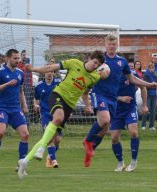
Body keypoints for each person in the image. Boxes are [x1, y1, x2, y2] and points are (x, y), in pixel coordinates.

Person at [17, 50, 105, 179]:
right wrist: (34, 69)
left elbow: (85, 92)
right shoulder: (74, 63)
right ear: (89, 58)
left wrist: (87, 105)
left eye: (98, 65)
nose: (95, 66)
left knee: (53, 138)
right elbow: (51, 67)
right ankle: (41, 149)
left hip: (69, 105)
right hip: (58, 95)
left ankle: (25, 161)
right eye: (95, 62)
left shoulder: (94, 77)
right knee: (58, 118)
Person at [82, 34, 157, 168]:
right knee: (105, 120)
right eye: (109, 44)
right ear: (105, 45)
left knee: (105, 129)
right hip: (99, 94)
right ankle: (88, 142)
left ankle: (91, 148)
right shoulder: (100, 60)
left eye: (114, 44)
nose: (111, 46)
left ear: (117, 45)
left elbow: (133, 79)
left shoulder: (122, 62)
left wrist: (149, 84)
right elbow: (87, 70)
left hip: (112, 99)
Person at [0, 49, 29, 173]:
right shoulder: (0, 72)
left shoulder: (20, 73)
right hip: (2, 108)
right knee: (0, 132)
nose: (18, 60)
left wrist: (24, 105)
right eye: (15, 58)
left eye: (18, 58)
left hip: (15, 109)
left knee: (25, 135)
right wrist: (7, 84)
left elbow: (20, 90)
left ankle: (21, 165)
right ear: (8, 58)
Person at [110, 66, 148, 172]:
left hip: (130, 109)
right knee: (114, 138)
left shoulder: (131, 75)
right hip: (116, 111)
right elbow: (107, 95)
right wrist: (120, 98)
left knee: (133, 132)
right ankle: (120, 162)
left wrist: (144, 105)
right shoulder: (110, 76)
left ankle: (133, 162)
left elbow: (143, 87)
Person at [33, 61, 61, 168]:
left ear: (54, 73)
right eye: (47, 71)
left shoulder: (59, 83)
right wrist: (35, 105)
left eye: (51, 71)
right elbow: (36, 99)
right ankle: (53, 160)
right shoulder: (39, 86)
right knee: (49, 138)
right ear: (44, 73)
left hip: (57, 113)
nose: (49, 73)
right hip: (45, 114)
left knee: (57, 139)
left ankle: (50, 156)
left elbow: (64, 97)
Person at [141, 64, 157, 131]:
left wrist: (153, 85)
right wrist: (152, 85)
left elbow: (156, 85)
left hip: (154, 95)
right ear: (148, 68)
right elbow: (145, 84)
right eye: (150, 68)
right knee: (146, 110)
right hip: (147, 94)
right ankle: (143, 125)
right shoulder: (145, 75)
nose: (152, 69)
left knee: (153, 111)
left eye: (153, 68)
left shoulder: (155, 76)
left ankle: (151, 125)